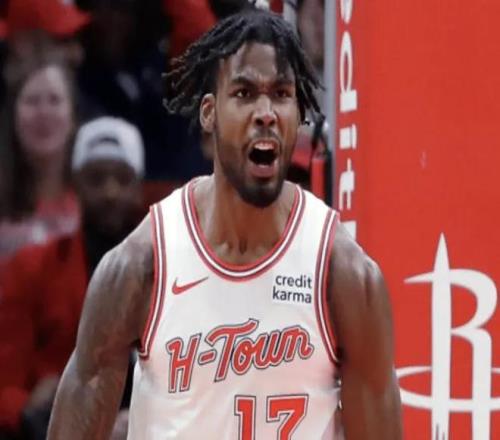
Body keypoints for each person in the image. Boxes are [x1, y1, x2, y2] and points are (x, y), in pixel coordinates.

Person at [48, 8, 402, 439]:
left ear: (298, 113)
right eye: (245, 93)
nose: (266, 112)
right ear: (209, 113)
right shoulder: (144, 264)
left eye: (281, 94)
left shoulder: (343, 276)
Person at [0, 117, 144, 440]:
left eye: (122, 179)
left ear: (138, 188)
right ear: (75, 185)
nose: (110, 192)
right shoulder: (30, 267)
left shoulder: (170, 271)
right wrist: (30, 412)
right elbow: (5, 384)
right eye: (96, 179)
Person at [0, 47, 80, 265]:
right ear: (13, 117)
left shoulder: (91, 201)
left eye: (54, 100)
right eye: (32, 101)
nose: (43, 113)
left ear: (73, 117)